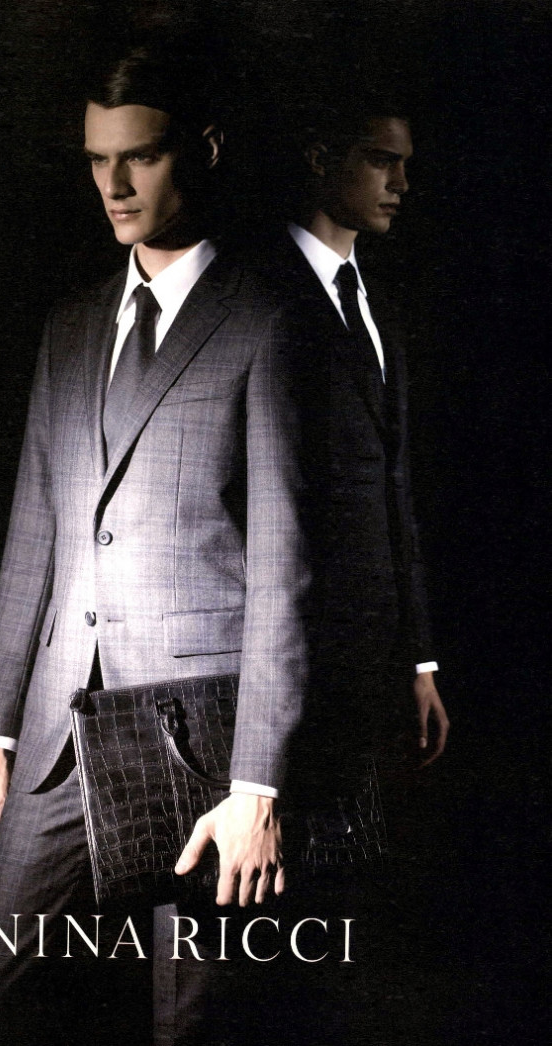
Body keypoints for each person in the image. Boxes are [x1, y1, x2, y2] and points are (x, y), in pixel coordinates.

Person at [0, 43, 306, 1046]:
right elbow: (35, 534)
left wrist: (257, 785)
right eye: (96, 160)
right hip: (56, 733)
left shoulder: (267, 321)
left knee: (186, 1025)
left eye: (141, 157)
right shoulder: (70, 327)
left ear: (203, 150)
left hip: (200, 744)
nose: (113, 184)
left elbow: (285, 573)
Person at [258, 97, 449, 819]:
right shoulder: (253, 288)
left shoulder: (377, 304)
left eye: (404, 164)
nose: (400, 183)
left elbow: (393, 490)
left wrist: (419, 659)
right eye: (379, 161)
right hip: (282, 659)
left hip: (372, 660)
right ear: (320, 158)